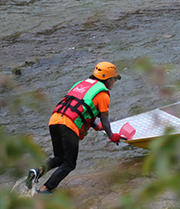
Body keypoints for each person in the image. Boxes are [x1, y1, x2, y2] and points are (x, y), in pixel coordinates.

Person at [26, 62, 123, 194]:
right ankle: (45, 190)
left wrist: (95, 126)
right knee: (69, 164)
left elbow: (80, 108)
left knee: (59, 158)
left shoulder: (81, 84)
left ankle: (37, 171)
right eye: (114, 80)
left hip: (54, 120)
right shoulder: (103, 95)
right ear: (108, 79)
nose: (114, 83)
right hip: (69, 126)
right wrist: (111, 136)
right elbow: (105, 121)